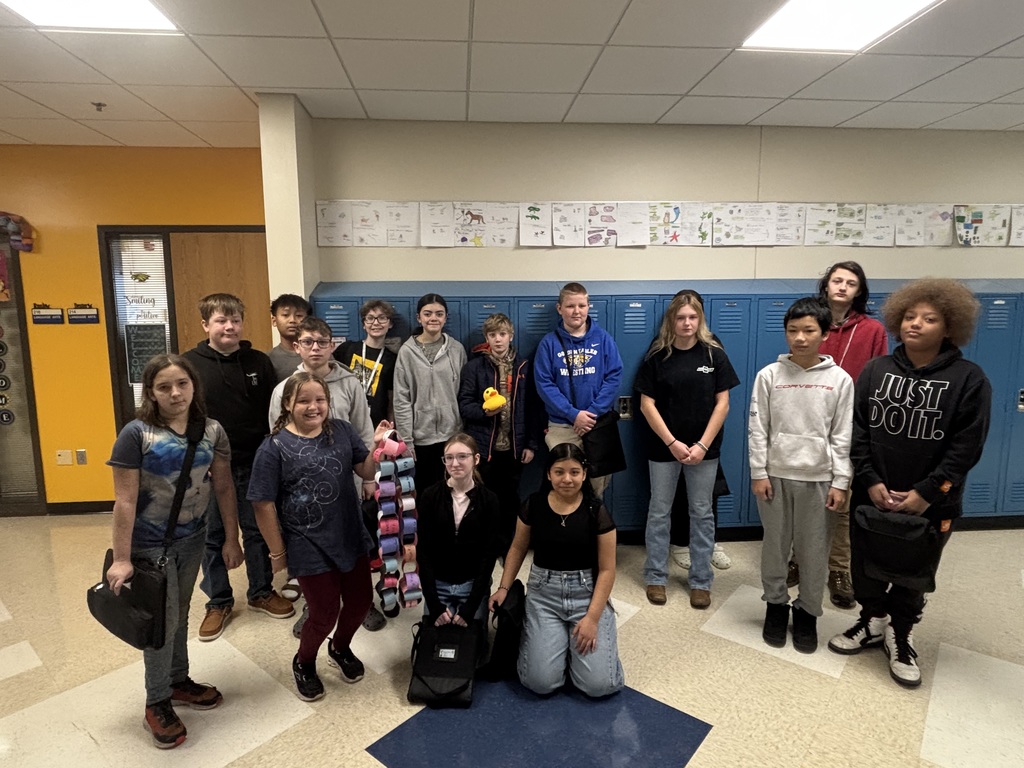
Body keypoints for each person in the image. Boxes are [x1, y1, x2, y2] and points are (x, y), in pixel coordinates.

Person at [828, 279, 991, 688]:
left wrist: (928, 492)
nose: (915, 324)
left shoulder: (969, 379)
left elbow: (965, 447)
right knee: (868, 566)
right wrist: (869, 479)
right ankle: (870, 621)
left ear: (950, 327)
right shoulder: (876, 370)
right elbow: (857, 429)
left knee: (913, 572)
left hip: (931, 504)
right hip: (874, 493)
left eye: (929, 318)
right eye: (909, 316)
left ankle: (901, 635)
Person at [106, 354, 243, 749]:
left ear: (193, 386)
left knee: (180, 613)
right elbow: (125, 501)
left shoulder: (212, 430)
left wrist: (231, 539)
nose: (175, 393)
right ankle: (157, 701)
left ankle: (178, 680)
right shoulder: (136, 435)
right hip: (149, 545)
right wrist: (121, 558)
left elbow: (223, 489)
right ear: (150, 392)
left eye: (182, 383)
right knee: (160, 624)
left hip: (193, 538)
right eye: (164, 386)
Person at [250, 372, 390, 702]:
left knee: (360, 603)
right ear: (287, 404)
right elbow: (262, 503)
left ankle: (340, 648)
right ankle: (304, 661)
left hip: (349, 534)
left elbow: (366, 471)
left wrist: (377, 448)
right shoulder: (274, 448)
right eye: (304, 401)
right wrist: (277, 554)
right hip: (307, 543)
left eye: (320, 400)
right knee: (323, 613)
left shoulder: (341, 431)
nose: (313, 407)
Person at [183, 293, 294, 642]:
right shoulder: (189, 365)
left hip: (254, 461)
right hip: (208, 468)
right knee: (213, 535)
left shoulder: (259, 361)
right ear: (206, 325)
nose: (229, 327)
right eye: (220, 320)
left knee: (257, 529)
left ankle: (260, 591)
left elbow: (272, 415)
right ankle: (218, 601)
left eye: (235, 320)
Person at [749, 297, 854, 653]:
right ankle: (775, 606)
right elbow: (758, 428)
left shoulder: (839, 380)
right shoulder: (769, 376)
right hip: (775, 477)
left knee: (814, 552)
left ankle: (808, 612)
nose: (800, 338)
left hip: (820, 480)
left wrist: (841, 481)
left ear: (824, 333)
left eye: (809, 330)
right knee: (775, 548)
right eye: (793, 330)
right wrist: (758, 472)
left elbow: (843, 434)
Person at [267, 316, 384, 629]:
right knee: (313, 552)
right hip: (304, 492)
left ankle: (361, 603)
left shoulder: (350, 384)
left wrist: (368, 478)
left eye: (322, 342)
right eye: (308, 342)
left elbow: (363, 430)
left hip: (346, 483)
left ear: (333, 346)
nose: (315, 348)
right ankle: (315, 606)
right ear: (297, 346)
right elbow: (278, 439)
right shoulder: (283, 390)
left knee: (353, 543)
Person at [789, 262, 889, 608]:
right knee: (801, 494)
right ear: (826, 285)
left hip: (851, 421)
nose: (843, 287)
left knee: (840, 498)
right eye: (837, 281)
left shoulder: (872, 329)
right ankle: (798, 561)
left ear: (860, 290)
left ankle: (837, 569)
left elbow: (880, 376)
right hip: (808, 417)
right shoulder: (810, 320)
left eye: (851, 283)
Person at [490, 443, 624, 698]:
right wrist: (503, 588)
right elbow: (517, 548)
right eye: (559, 472)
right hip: (544, 596)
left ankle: (580, 647)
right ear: (549, 474)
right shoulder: (533, 504)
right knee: (540, 683)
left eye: (574, 472)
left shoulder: (597, 511)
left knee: (599, 686)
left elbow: (607, 570)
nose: (567, 479)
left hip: (586, 595)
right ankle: (557, 647)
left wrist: (593, 619)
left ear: (584, 475)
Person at [636, 292, 740, 609]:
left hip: (704, 451)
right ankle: (656, 577)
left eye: (692, 317)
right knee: (659, 513)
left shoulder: (714, 356)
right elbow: (646, 404)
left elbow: (723, 404)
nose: (687, 323)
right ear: (672, 320)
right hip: (664, 449)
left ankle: (700, 581)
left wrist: (702, 444)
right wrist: (672, 442)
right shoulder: (657, 356)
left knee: (702, 514)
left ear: (700, 320)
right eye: (681, 317)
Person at [533, 282, 624, 500]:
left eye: (582, 305)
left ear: (588, 306)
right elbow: (544, 384)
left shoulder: (603, 339)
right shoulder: (549, 344)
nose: (577, 311)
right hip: (562, 427)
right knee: (565, 486)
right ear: (559, 308)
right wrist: (574, 414)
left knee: (596, 489)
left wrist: (590, 413)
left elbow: (614, 377)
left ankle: (593, 532)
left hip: (597, 425)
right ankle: (565, 531)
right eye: (571, 306)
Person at [457, 313, 539, 553]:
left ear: (511, 336)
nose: (498, 340)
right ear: (487, 338)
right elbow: (464, 404)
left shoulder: (523, 366)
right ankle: (485, 544)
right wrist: (484, 412)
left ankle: (506, 545)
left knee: (509, 498)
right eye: (493, 335)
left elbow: (532, 408)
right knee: (483, 497)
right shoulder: (474, 367)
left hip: (514, 447)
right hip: (485, 447)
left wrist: (531, 444)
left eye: (502, 334)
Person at [418, 434, 500, 652]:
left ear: (476, 459)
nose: (455, 463)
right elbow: (423, 552)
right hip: (439, 583)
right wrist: (434, 604)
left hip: (472, 584)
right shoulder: (429, 496)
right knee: (433, 648)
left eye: (462, 457)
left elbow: (488, 555)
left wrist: (470, 607)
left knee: (474, 650)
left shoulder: (489, 500)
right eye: (449, 458)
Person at [394, 293, 467, 492]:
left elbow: (463, 393)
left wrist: (462, 433)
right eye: (427, 314)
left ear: (445, 317)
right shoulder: (407, 352)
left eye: (439, 314)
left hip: (451, 434)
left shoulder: (457, 350)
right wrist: (406, 440)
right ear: (419, 318)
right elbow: (401, 399)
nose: (433, 318)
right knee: (426, 492)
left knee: (453, 490)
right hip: (420, 438)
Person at [333, 298, 399, 426]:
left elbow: (391, 399)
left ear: (390, 324)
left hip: (375, 423)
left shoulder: (392, 359)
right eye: (370, 318)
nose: (376, 323)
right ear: (363, 324)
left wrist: (391, 425)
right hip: (345, 418)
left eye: (382, 318)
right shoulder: (347, 349)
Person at [267, 294, 311, 382]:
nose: (292, 320)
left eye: (299, 315)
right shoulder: (267, 359)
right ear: (274, 321)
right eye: (285, 315)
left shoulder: (318, 354)